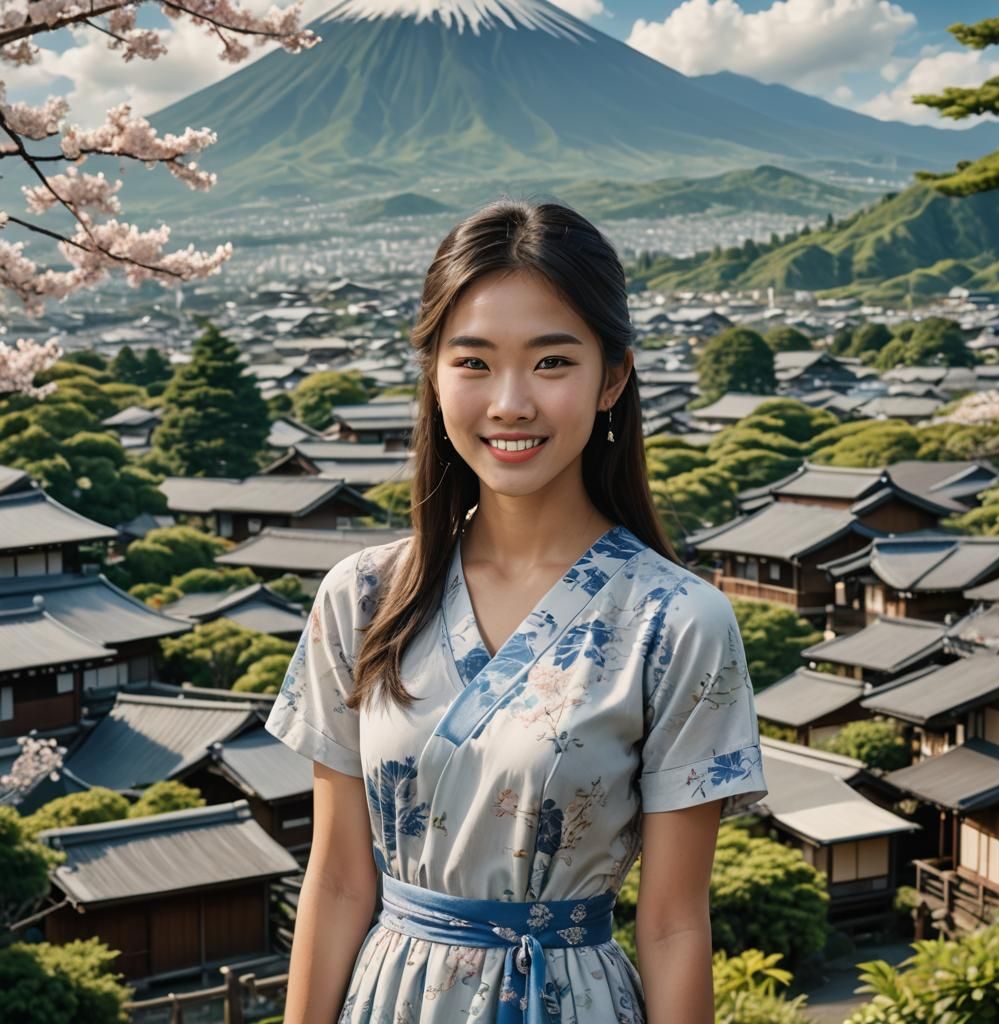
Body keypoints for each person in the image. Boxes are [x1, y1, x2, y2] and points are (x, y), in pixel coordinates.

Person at [264, 198, 767, 1024]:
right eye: (473, 362)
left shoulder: (676, 622)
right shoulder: (361, 597)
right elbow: (340, 877)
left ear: (613, 378)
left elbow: (674, 923)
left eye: (551, 362)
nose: (510, 403)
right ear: (434, 373)